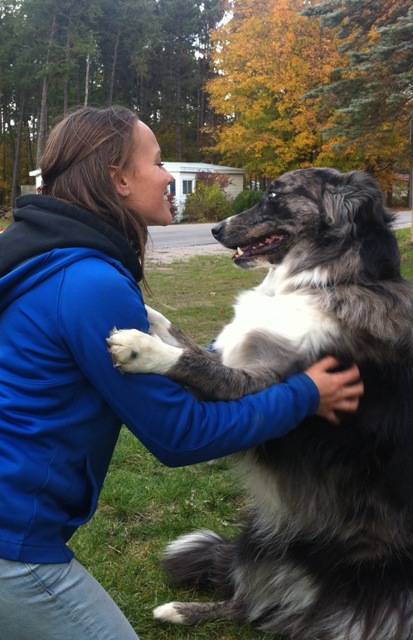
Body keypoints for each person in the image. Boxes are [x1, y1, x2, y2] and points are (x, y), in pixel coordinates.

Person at [0, 106, 363, 640]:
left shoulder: (35, 252)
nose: (170, 175)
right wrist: (306, 394)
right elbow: (181, 434)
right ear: (118, 180)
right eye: (158, 161)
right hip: (13, 548)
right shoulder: (87, 280)